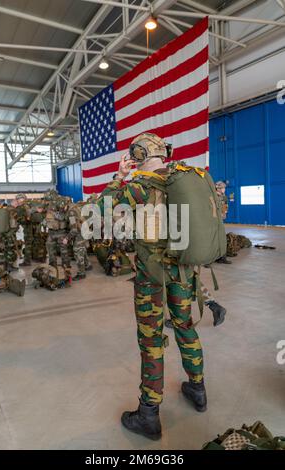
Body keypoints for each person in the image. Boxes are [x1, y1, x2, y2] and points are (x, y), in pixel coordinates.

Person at [97, 133, 206, 440]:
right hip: (183, 272)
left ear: (138, 154)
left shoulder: (137, 187)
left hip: (151, 278)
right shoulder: (183, 178)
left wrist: (118, 178)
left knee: (151, 340)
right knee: (185, 326)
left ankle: (148, 415)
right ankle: (197, 389)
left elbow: (95, 212)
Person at [215, 181, 232, 264]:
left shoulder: (224, 197)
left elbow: (225, 206)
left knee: (222, 238)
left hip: (221, 220)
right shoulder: (213, 196)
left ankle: (222, 257)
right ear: (218, 188)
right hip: (213, 220)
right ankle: (210, 259)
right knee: (213, 239)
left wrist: (224, 214)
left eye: (224, 188)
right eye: (223, 188)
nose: (224, 189)